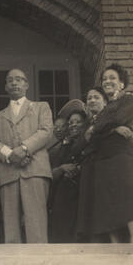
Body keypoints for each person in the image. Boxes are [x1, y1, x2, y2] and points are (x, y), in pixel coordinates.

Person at [0, 68, 53, 243]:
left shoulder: (41, 107)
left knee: (36, 223)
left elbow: (46, 132)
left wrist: (24, 149)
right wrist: (10, 154)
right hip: (8, 173)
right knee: (11, 227)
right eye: (10, 80)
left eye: (19, 79)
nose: (15, 83)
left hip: (35, 170)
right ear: (6, 87)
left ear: (26, 84)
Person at [78, 65, 133, 243]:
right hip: (103, 157)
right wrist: (112, 128)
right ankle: (115, 242)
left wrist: (98, 127)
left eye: (112, 78)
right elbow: (93, 136)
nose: (108, 81)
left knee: (126, 193)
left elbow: (118, 119)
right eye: (105, 79)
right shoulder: (105, 108)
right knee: (106, 200)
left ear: (121, 83)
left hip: (121, 154)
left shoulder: (127, 100)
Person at [48, 101, 88, 243]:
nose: (73, 125)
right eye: (70, 122)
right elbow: (53, 171)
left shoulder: (88, 141)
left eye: (78, 122)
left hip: (83, 192)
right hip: (64, 195)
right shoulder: (64, 146)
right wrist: (62, 168)